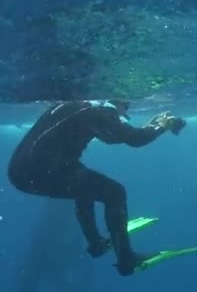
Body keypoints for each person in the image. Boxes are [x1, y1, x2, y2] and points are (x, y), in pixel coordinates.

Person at [7, 99, 186, 276]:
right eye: (127, 106)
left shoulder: (78, 105)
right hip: (44, 170)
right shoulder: (103, 109)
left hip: (20, 172)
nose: (125, 113)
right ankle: (126, 260)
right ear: (117, 100)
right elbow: (135, 139)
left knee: (84, 183)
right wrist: (162, 126)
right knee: (115, 193)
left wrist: (153, 126)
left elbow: (113, 135)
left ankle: (96, 243)